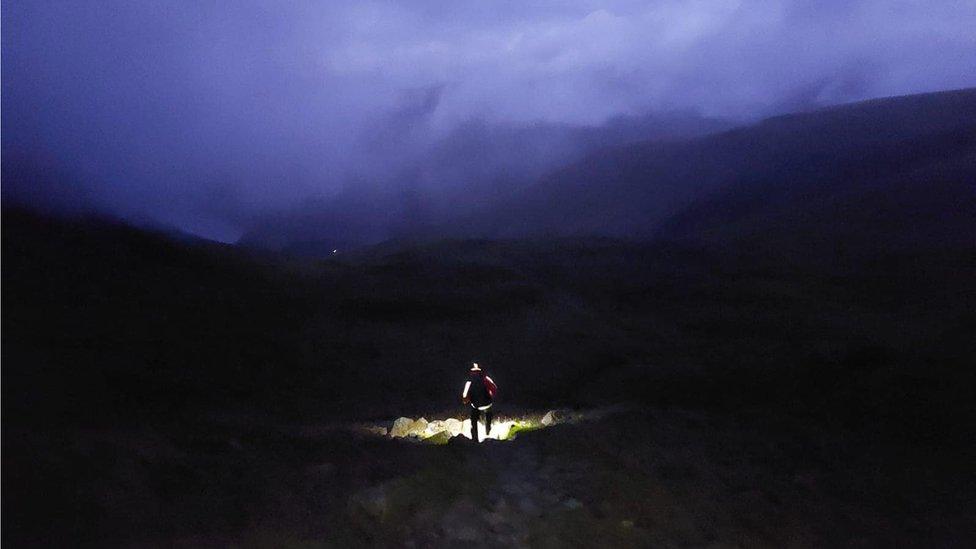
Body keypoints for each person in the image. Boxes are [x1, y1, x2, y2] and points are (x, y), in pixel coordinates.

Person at [461, 362, 497, 442]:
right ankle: (488, 431)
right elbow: (494, 388)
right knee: (488, 413)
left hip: (475, 405)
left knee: (474, 419)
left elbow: (464, 396)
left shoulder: (469, 382)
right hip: (487, 403)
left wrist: (468, 400)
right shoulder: (486, 378)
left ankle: (475, 438)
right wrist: (491, 396)